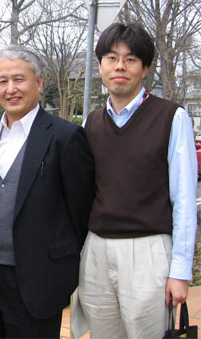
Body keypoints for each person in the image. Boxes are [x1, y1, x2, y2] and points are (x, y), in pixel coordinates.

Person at [0, 45, 95, 338]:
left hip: (37, 279)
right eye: (2, 81)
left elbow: (80, 211)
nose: (10, 89)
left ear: (39, 81)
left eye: (19, 79)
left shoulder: (65, 137)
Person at [76, 23, 198, 338]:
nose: (120, 66)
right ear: (100, 65)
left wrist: (180, 272)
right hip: (97, 250)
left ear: (144, 68)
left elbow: (184, 198)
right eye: (111, 57)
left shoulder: (171, 117)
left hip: (148, 252)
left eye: (131, 59)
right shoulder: (92, 122)